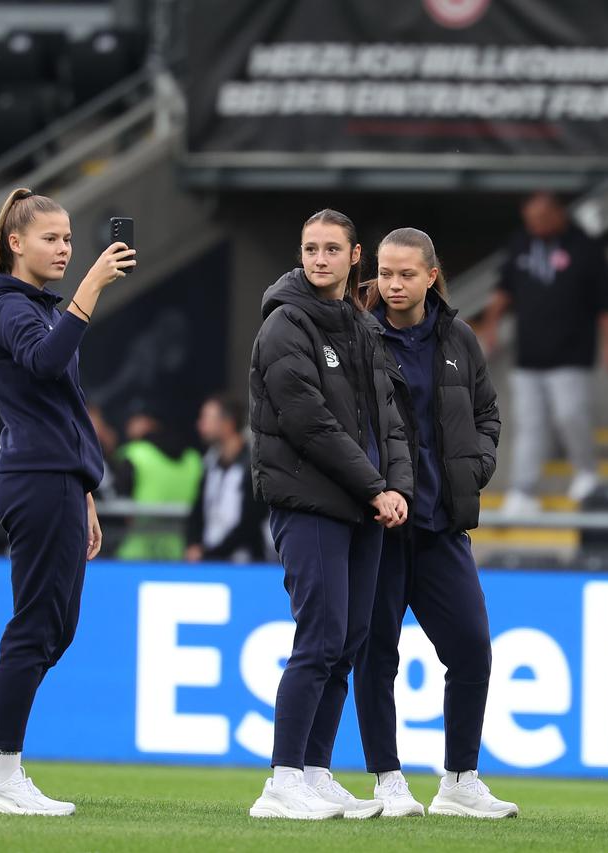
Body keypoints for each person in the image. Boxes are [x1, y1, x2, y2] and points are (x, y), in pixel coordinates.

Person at [0, 187, 135, 816]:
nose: (66, 249)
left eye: (70, 239)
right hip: (37, 478)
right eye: (52, 238)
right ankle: (4, 772)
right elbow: (47, 366)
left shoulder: (36, 306)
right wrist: (92, 287)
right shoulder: (10, 305)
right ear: (15, 243)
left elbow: (63, 409)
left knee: (53, 626)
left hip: (57, 480)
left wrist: (84, 492)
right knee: (36, 626)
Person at [247, 208, 413, 820]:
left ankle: (314, 771)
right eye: (309, 248)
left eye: (330, 249)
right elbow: (310, 425)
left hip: (361, 507)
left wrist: (397, 487)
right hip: (311, 504)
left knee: (348, 641)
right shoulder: (285, 326)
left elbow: (388, 422)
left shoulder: (362, 327)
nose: (318, 258)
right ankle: (281, 781)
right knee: (318, 640)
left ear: (354, 256)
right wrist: (377, 488)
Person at [354, 228, 516, 819]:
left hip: (442, 523)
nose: (394, 284)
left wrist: (476, 468)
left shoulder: (458, 337)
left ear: (430, 276)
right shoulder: (357, 334)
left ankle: (459, 779)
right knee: (377, 655)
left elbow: (486, 413)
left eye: (406, 274)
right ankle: (387, 780)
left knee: (472, 649)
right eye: (385, 273)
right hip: (379, 527)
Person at [481, 191, 608, 514]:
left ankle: (586, 471)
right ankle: (522, 490)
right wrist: (490, 326)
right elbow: (503, 289)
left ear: (558, 213)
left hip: (571, 352)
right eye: (531, 220)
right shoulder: (521, 243)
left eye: (542, 219)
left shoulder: (586, 247)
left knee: (570, 414)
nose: (536, 226)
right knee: (529, 424)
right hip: (528, 354)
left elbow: (606, 304)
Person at [114, 400, 203, 561]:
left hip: (136, 554)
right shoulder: (194, 459)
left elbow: (117, 503)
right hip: (180, 553)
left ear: (150, 422)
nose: (128, 426)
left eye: (134, 419)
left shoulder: (134, 454)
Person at [184, 393, 268, 563]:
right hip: (209, 562)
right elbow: (198, 511)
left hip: (245, 564)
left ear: (227, 423)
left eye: (207, 418)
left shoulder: (253, 467)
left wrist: (213, 553)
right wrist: (194, 544)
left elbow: (250, 522)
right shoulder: (210, 464)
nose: (200, 424)